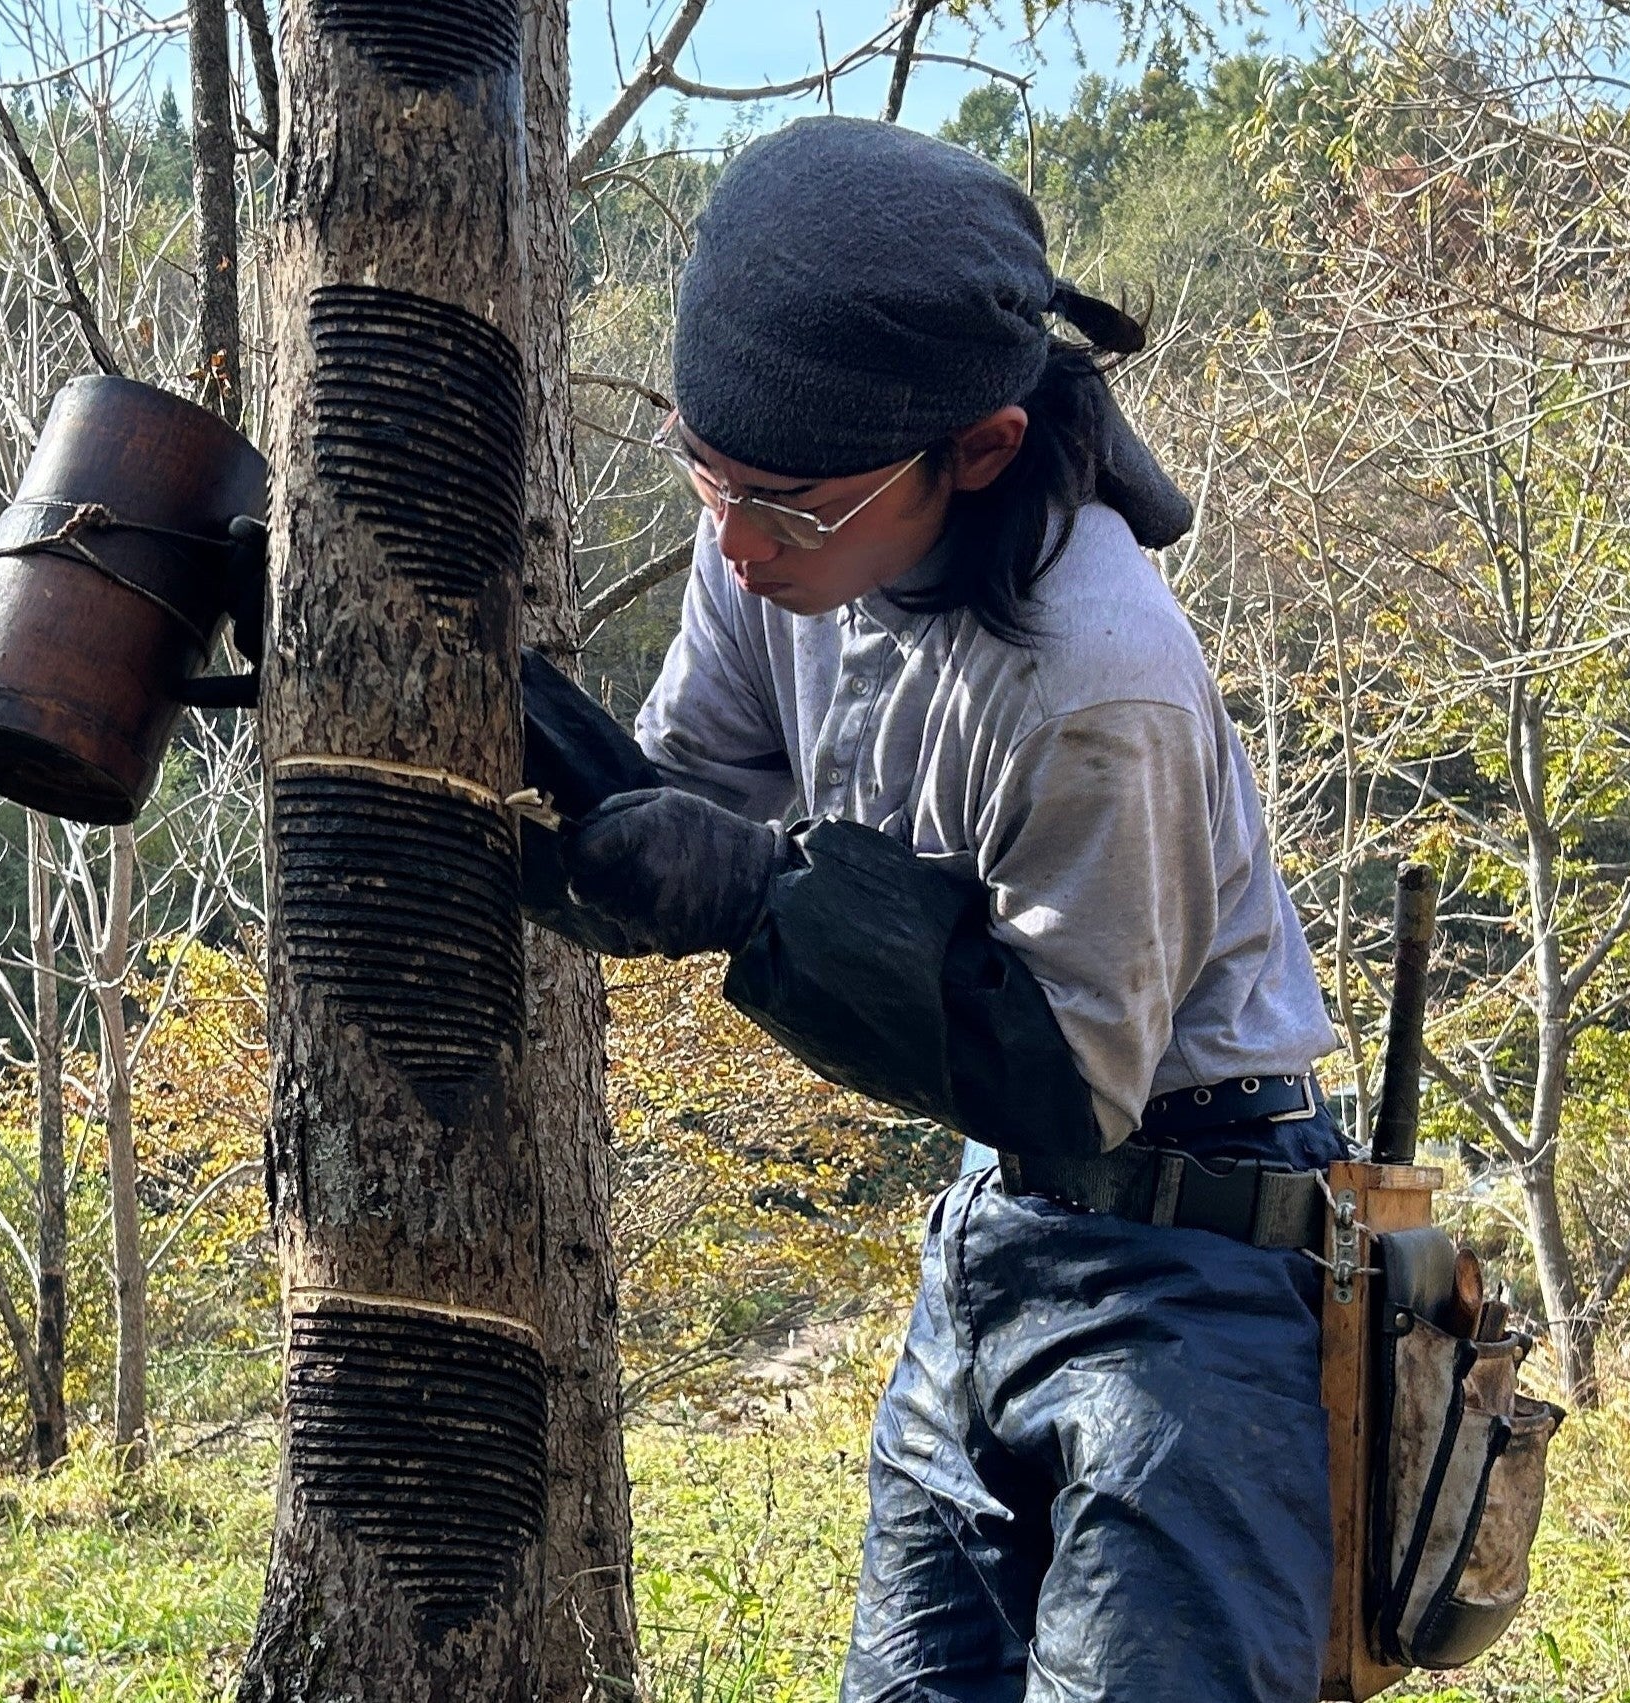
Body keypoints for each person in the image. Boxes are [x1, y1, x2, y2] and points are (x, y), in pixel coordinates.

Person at [531, 118, 1347, 1703]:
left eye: (786, 504)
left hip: (1197, 1256)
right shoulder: (777, 517)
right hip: (991, 1226)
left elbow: (1069, 1073)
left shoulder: (1094, 676)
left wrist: (761, 897)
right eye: (704, 474)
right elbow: (690, 796)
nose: (736, 541)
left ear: (972, 447)